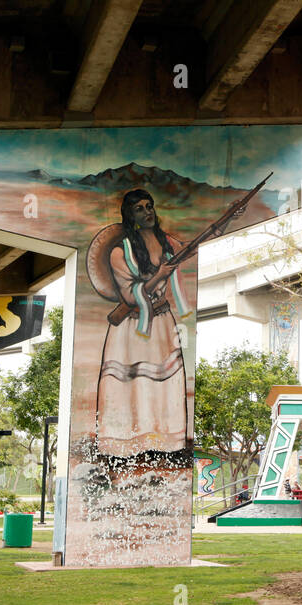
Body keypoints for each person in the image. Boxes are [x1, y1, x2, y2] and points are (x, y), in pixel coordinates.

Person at [95, 189, 191, 455]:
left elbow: (196, 244)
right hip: (130, 330)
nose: (147, 212)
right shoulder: (120, 252)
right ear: (130, 215)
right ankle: (124, 448)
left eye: (149, 206)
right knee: (131, 386)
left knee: (163, 383)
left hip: (161, 323)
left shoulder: (168, 243)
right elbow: (131, 294)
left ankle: (165, 444)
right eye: (139, 208)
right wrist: (159, 274)